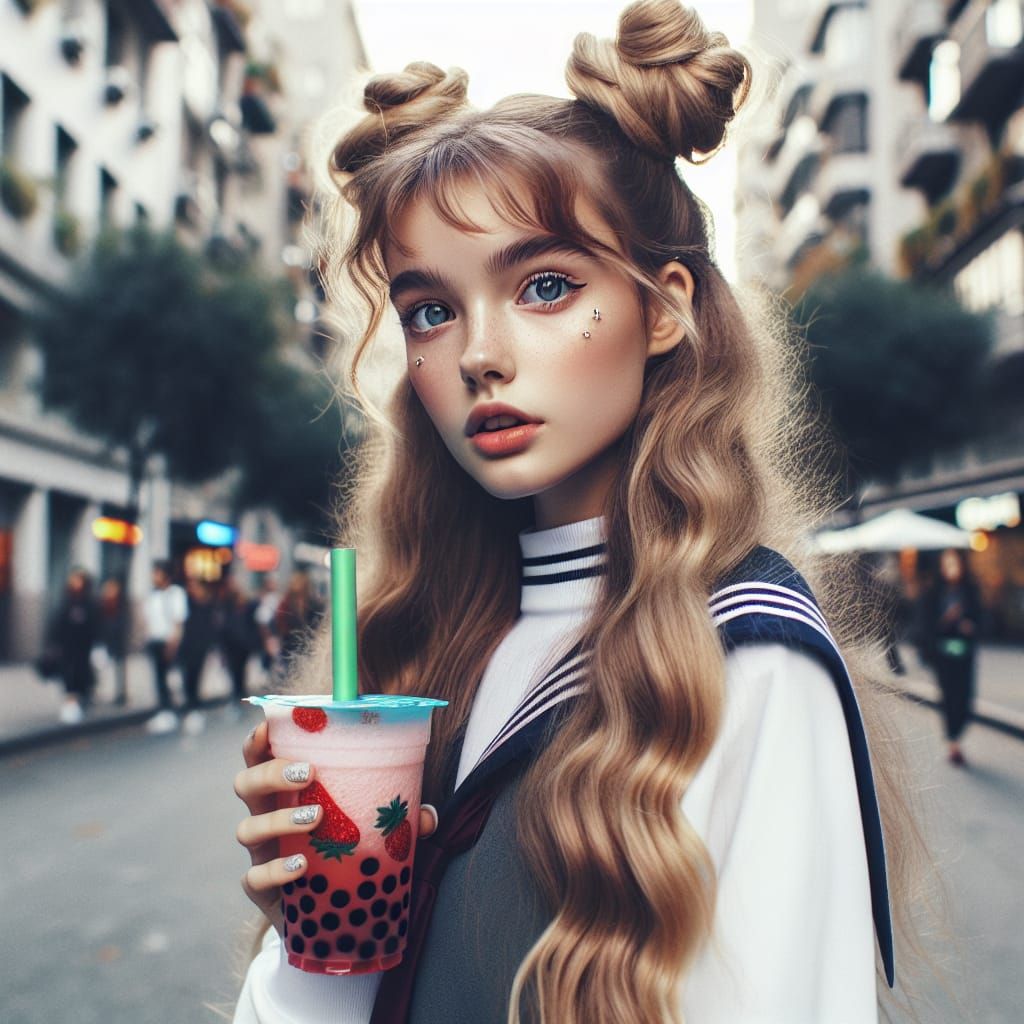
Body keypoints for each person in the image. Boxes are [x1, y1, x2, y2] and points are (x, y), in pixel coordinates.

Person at [231, 3, 930, 1020]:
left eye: (546, 286)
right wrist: (313, 934)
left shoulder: (750, 656)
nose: (479, 354)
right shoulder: (425, 636)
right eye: (432, 310)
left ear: (664, 306)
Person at [923, 548, 981, 767]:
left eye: (955, 564)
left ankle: (956, 733)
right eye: (948, 564)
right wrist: (947, 619)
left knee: (965, 698)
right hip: (943, 653)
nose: (952, 569)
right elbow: (926, 624)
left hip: (964, 653)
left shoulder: (969, 590)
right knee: (949, 697)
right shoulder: (934, 592)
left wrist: (970, 626)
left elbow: (980, 617)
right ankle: (953, 742)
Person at [143, 559, 187, 734]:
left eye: (157, 573)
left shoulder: (175, 593)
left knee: (171, 679)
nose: (154, 577)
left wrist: (173, 643)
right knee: (159, 678)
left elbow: (178, 621)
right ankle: (164, 710)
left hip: (168, 642)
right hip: (155, 641)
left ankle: (172, 711)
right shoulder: (153, 595)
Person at [51, 567, 98, 724]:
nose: (75, 582)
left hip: (83, 647)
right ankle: (71, 704)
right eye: (73, 579)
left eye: (78, 579)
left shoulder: (88, 602)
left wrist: (97, 646)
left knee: (80, 675)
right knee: (68, 676)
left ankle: (79, 702)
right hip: (67, 646)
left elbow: (95, 625)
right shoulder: (67, 600)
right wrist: (54, 642)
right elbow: (58, 623)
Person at [178, 577, 218, 736]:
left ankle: (195, 708)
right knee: (187, 677)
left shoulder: (208, 605)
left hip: (200, 647)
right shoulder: (186, 603)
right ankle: (190, 707)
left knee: (196, 677)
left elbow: (211, 627)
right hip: (187, 646)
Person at [98, 576, 129, 704]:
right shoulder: (101, 605)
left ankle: (119, 694)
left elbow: (123, 624)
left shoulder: (121, 605)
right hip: (105, 642)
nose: (109, 591)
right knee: (105, 669)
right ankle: (106, 694)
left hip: (117, 642)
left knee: (118, 669)